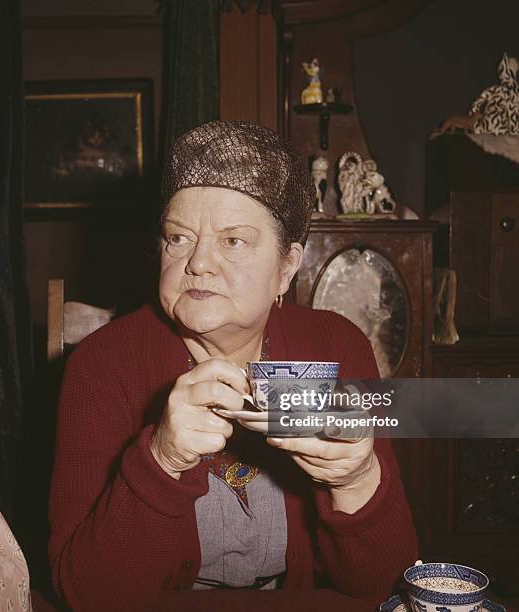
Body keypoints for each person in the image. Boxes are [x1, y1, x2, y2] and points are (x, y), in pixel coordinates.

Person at [48, 121, 418, 611]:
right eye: (177, 238)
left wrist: (356, 482)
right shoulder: (101, 366)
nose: (198, 262)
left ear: (288, 266)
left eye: (234, 241)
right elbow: (85, 595)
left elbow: (382, 585)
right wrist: (162, 460)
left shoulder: (336, 346)